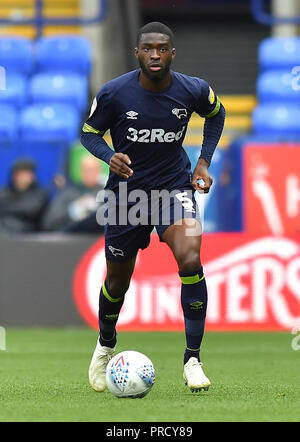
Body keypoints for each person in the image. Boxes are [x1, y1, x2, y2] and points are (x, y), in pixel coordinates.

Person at [80, 22, 225, 393]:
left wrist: (203, 162)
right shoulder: (114, 93)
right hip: (125, 197)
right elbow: (88, 133)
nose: (155, 55)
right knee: (117, 281)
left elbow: (216, 115)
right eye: (149, 49)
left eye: (162, 49)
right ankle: (105, 344)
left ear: (172, 53)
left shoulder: (193, 89)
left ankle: (192, 359)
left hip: (173, 189)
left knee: (190, 257)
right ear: (138, 53)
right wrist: (109, 156)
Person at [42, 155, 104, 233]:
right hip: (71, 237)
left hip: (97, 239)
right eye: (87, 170)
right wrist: (74, 210)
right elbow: (49, 222)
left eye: (93, 169)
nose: (90, 173)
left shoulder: (107, 194)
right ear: (81, 171)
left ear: (99, 171)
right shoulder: (69, 193)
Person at [0, 158, 48, 234]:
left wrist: (6, 208)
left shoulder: (39, 193)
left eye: (32, 173)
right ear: (15, 175)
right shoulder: (5, 191)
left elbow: (30, 210)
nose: (31, 176)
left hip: (27, 234)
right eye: (26, 173)